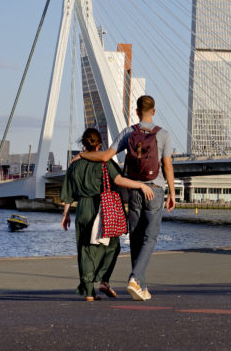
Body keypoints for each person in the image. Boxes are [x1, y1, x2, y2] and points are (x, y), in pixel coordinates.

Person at [75, 95, 175, 301]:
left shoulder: (129, 132)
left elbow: (104, 156)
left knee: (136, 238)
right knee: (150, 237)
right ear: (153, 112)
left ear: (137, 112)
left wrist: (83, 154)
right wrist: (172, 192)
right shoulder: (163, 134)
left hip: (134, 191)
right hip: (154, 189)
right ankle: (135, 278)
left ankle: (142, 287)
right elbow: (167, 166)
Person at [61, 127, 155, 301]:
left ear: (83, 144)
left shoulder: (74, 164)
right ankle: (103, 279)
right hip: (102, 207)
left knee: (85, 249)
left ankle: (89, 291)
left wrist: (66, 214)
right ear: (100, 145)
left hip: (82, 208)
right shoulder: (104, 163)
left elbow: (68, 192)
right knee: (112, 245)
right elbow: (119, 180)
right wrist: (141, 185)